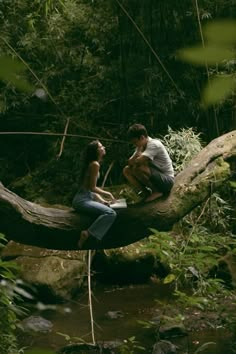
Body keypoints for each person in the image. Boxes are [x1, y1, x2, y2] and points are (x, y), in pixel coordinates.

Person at [72, 140, 117, 248]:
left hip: (86, 197)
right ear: (96, 151)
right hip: (82, 200)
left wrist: (102, 201)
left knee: (108, 206)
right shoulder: (94, 164)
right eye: (101, 147)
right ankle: (87, 233)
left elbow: (89, 190)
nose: (103, 148)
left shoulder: (93, 164)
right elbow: (93, 188)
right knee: (111, 213)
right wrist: (108, 194)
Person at [123, 123, 174, 202]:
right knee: (126, 170)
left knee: (138, 167)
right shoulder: (141, 146)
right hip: (157, 177)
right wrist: (137, 152)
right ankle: (146, 193)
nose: (135, 145)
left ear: (142, 137)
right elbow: (129, 163)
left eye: (135, 142)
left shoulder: (154, 144)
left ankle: (157, 191)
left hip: (167, 181)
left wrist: (136, 157)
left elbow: (137, 162)